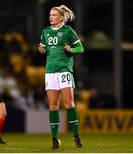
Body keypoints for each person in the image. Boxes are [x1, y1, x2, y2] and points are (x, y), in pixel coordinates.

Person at [38, 5, 84, 149]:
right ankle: (54, 140)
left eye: (54, 15)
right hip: (50, 72)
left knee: (69, 104)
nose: (51, 17)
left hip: (64, 71)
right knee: (52, 106)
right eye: (50, 14)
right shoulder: (45, 31)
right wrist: (41, 49)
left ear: (61, 17)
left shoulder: (68, 31)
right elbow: (43, 47)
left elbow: (81, 48)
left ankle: (76, 136)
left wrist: (72, 49)